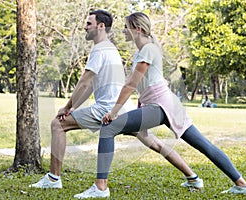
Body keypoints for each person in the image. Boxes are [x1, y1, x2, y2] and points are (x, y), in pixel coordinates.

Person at [74, 12, 246, 199]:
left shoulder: (148, 50)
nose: (123, 30)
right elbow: (139, 85)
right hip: (165, 105)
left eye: (126, 27)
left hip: (161, 106)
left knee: (109, 127)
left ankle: (100, 188)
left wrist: (114, 112)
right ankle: (240, 184)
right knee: (203, 145)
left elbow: (131, 85)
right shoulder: (141, 51)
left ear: (138, 29)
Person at [29, 10, 203, 191]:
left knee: (58, 124)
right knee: (155, 143)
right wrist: (73, 107)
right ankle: (193, 177)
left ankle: (53, 179)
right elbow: (89, 86)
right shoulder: (110, 49)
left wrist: (66, 108)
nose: (85, 27)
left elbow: (85, 81)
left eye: (89, 23)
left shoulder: (100, 49)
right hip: (125, 110)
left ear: (101, 26)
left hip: (106, 109)